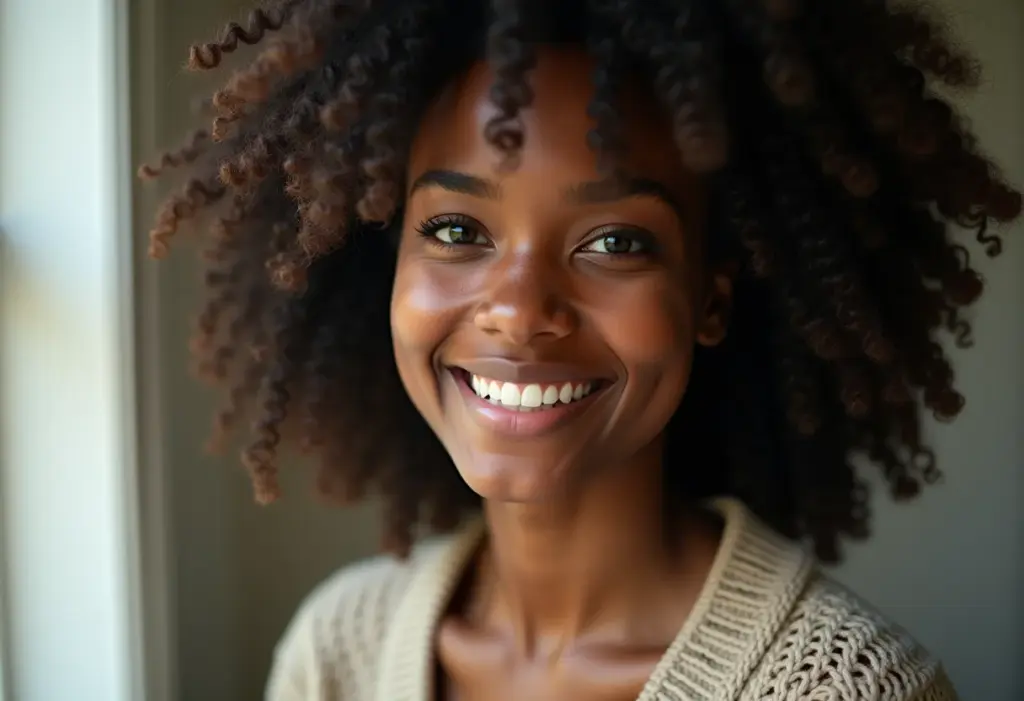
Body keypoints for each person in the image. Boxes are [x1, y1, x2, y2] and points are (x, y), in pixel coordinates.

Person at [140, 0, 1020, 699]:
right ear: (388, 262)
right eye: (455, 228)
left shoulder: (852, 689)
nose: (520, 313)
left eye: (614, 242)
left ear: (708, 300)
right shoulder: (337, 651)